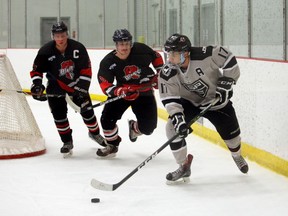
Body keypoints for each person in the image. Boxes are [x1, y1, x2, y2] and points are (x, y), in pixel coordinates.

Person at [158, 33, 249, 183]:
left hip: (215, 101)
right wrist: (178, 119)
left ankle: (237, 156)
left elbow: (228, 58)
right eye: (168, 53)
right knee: (172, 128)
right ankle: (183, 166)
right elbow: (170, 98)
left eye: (173, 54)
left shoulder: (205, 55)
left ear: (186, 53)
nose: (169, 58)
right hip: (189, 103)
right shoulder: (168, 71)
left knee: (232, 138)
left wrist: (227, 82)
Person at [29, 21, 106, 157]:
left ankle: (95, 134)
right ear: (53, 36)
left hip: (77, 86)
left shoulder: (78, 48)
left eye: (63, 35)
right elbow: (36, 71)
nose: (60, 39)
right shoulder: (45, 51)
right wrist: (37, 86)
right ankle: (67, 142)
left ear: (67, 34)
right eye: (57, 36)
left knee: (88, 113)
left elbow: (86, 70)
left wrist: (82, 88)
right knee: (59, 117)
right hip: (55, 86)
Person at [96, 29, 164, 157]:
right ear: (116, 45)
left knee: (148, 128)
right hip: (124, 93)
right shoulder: (108, 62)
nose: (125, 47)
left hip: (144, 91)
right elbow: (105, 84)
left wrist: (160, 73)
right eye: (121, 44)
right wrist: (119, 91)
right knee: (106, 121)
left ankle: (134, 128)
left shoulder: (141, 50)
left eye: (127, 44)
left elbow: (156, 56)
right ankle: (112, 144)